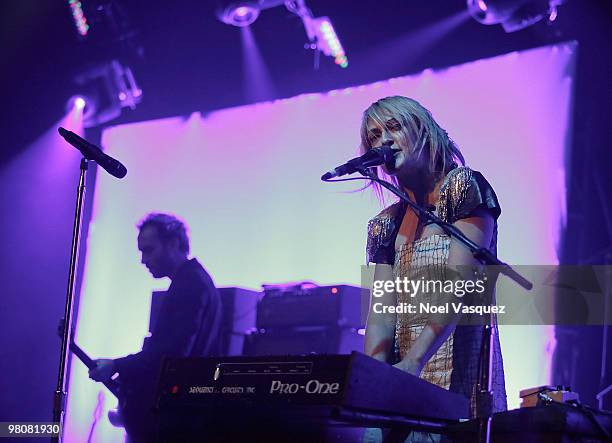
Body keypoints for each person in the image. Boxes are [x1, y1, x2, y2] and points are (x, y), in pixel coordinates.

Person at [362, 96, 506, 441]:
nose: (382, 140)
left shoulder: (463, 187)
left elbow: (457, 285)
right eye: (373, 135)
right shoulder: (385, 223)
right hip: (404, 377)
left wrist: (415, 362)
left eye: (393, 127)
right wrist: (375, 382)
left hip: (459, 368)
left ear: (423, 130)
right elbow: (381, 312)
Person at [89, 213, 223, 442]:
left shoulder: (190, 284)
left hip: (174, 420)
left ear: (173, 244)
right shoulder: (192, 281)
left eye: (148, 250)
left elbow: (171, 354)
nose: (143, 260)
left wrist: (116, 365)